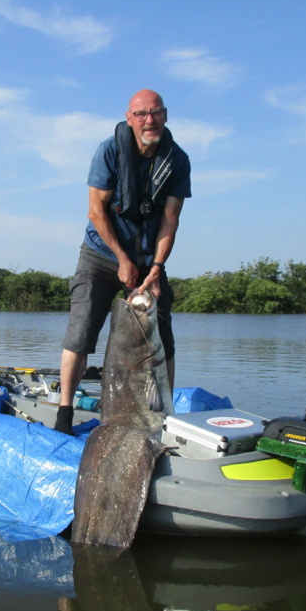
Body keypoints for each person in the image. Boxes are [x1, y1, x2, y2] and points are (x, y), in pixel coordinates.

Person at [54, 89, 191, 435]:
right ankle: (64, 415)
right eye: (142, 114)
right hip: (101, 254)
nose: (150, 120)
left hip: (148, 260)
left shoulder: (178, 159)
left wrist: (156, 268)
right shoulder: (109, 151)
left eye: (156, 113)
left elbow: (170, 220)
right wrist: (121, 258)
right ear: (129, 118)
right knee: (81, 333)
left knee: (164, 337)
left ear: (166, 115)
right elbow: (95, 211)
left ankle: (163, 417)